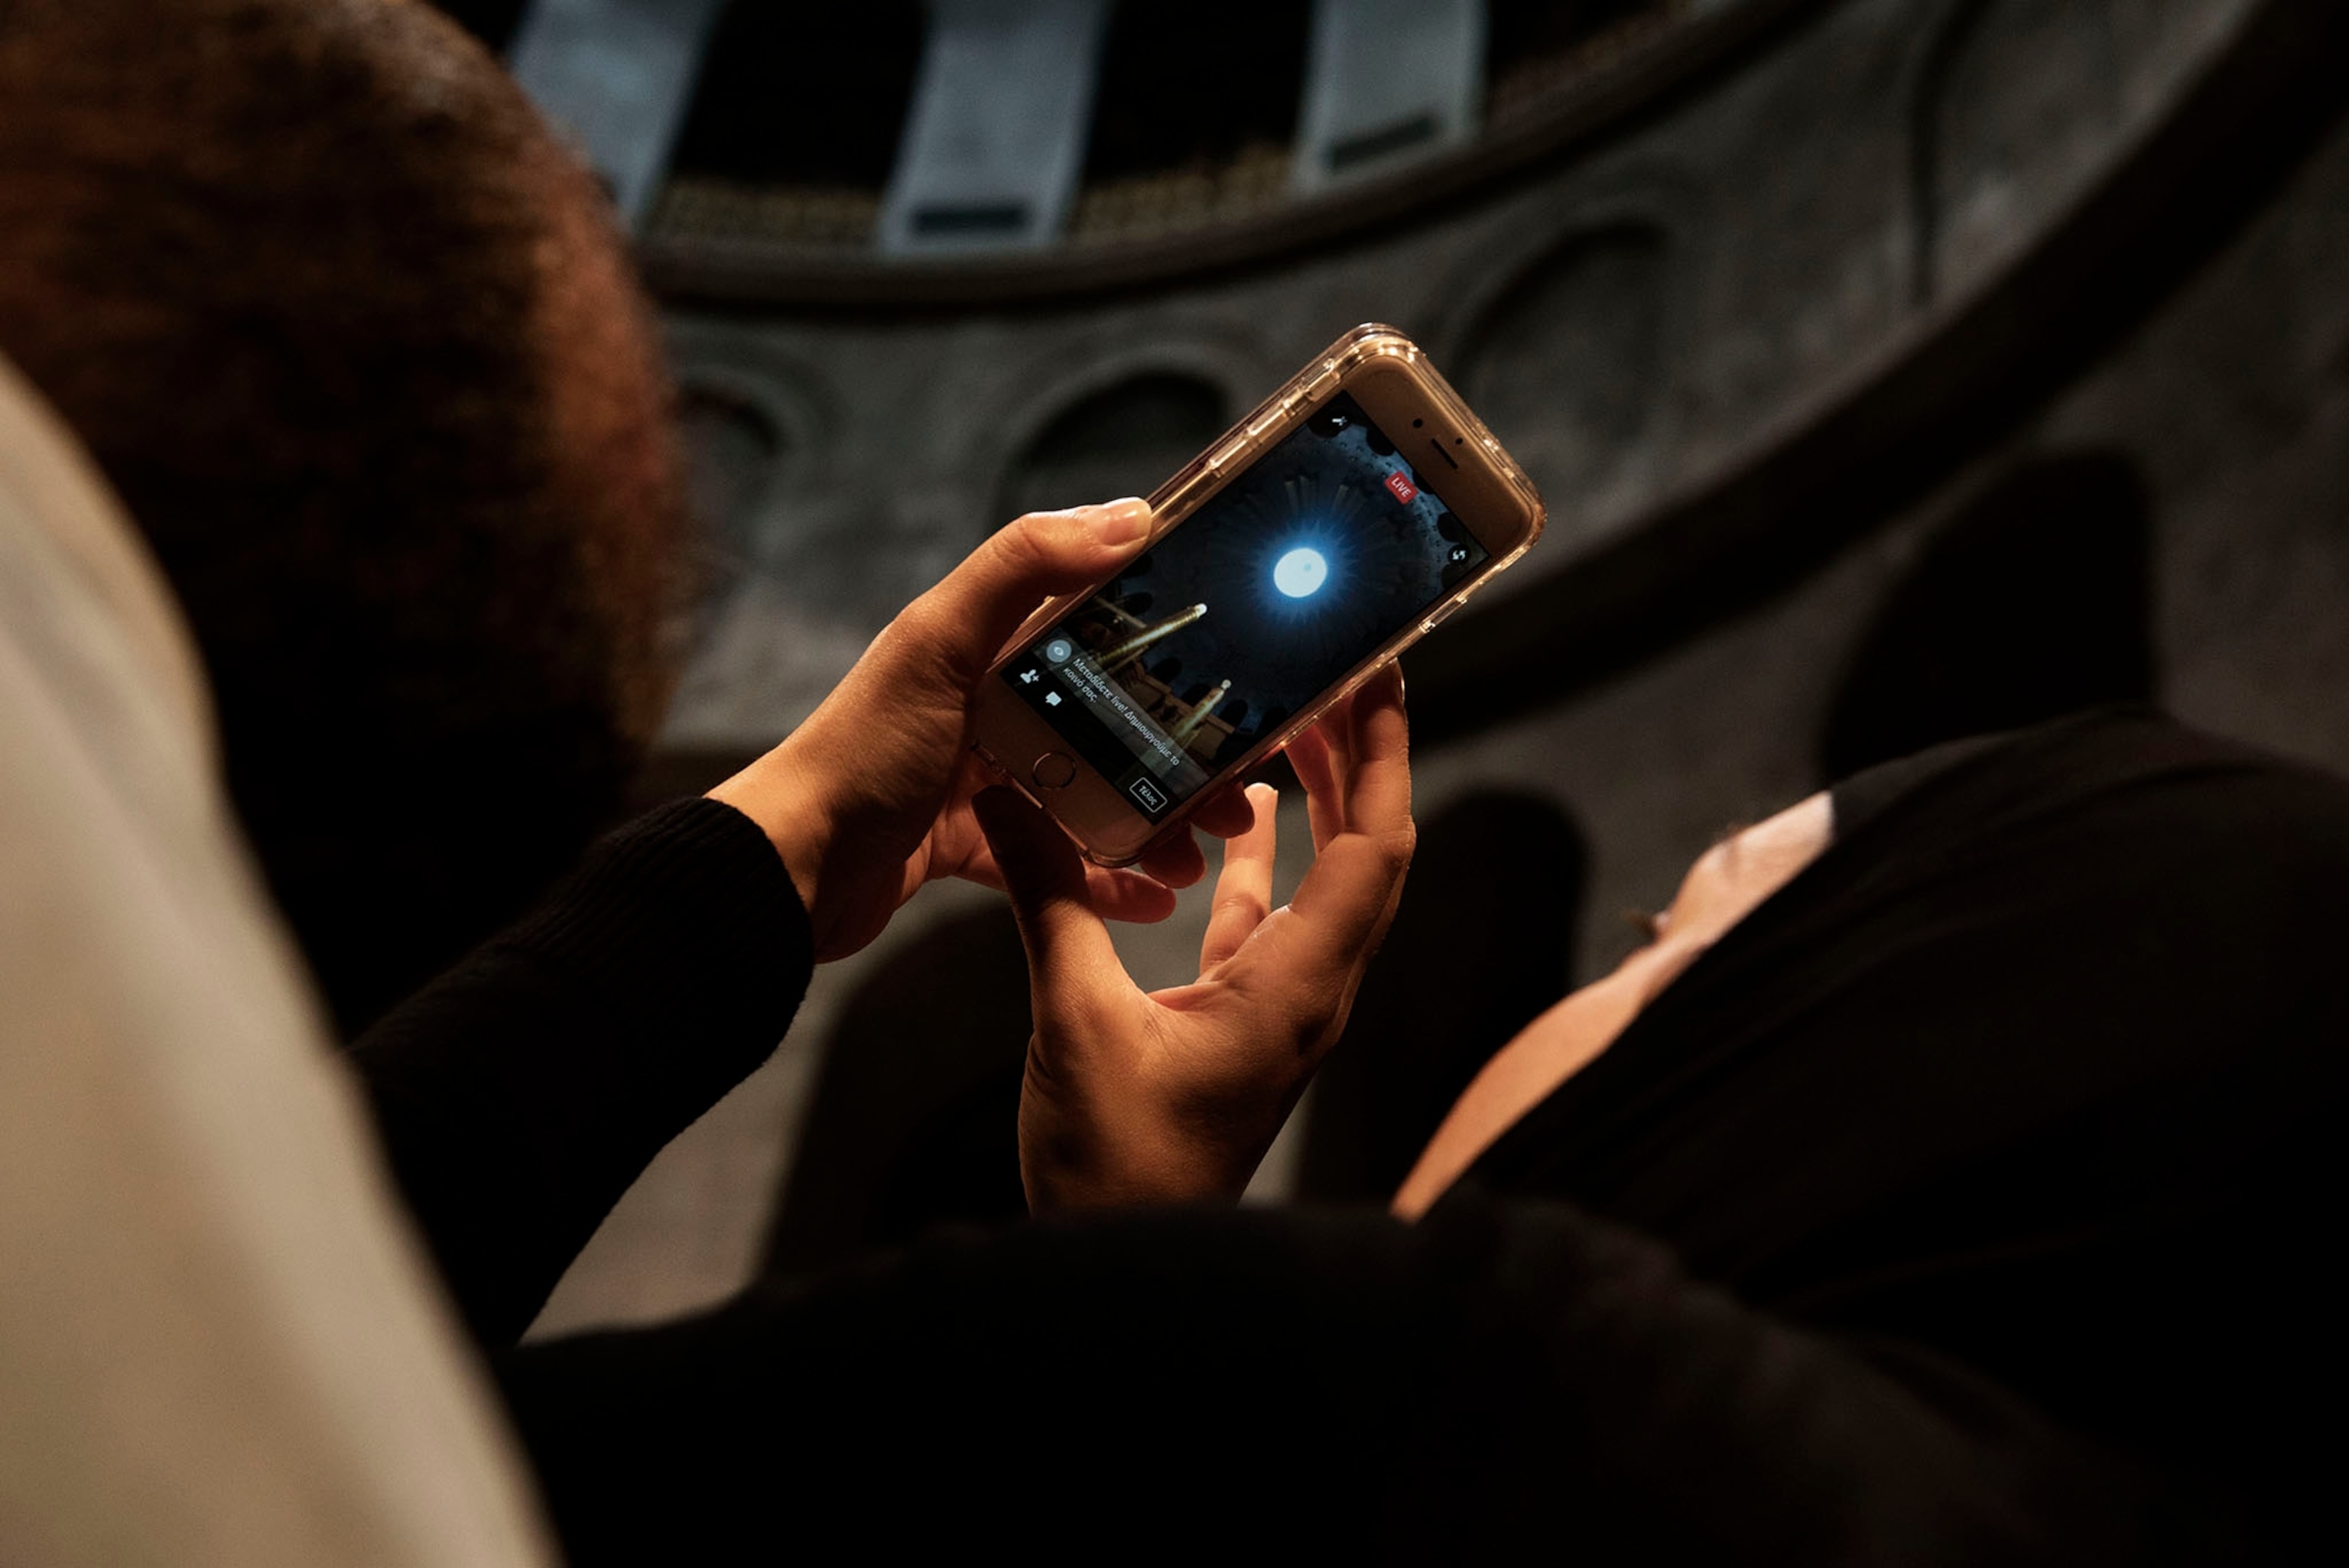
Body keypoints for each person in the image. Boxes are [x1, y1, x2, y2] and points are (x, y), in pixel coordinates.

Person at [4, 3, 2338, 1562]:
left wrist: (793, 846)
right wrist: (1138, 1280)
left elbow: (213, 1423)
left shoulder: (1481, 1395)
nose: (1616, 957)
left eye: (1688, 925)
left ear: (1844, 1073)